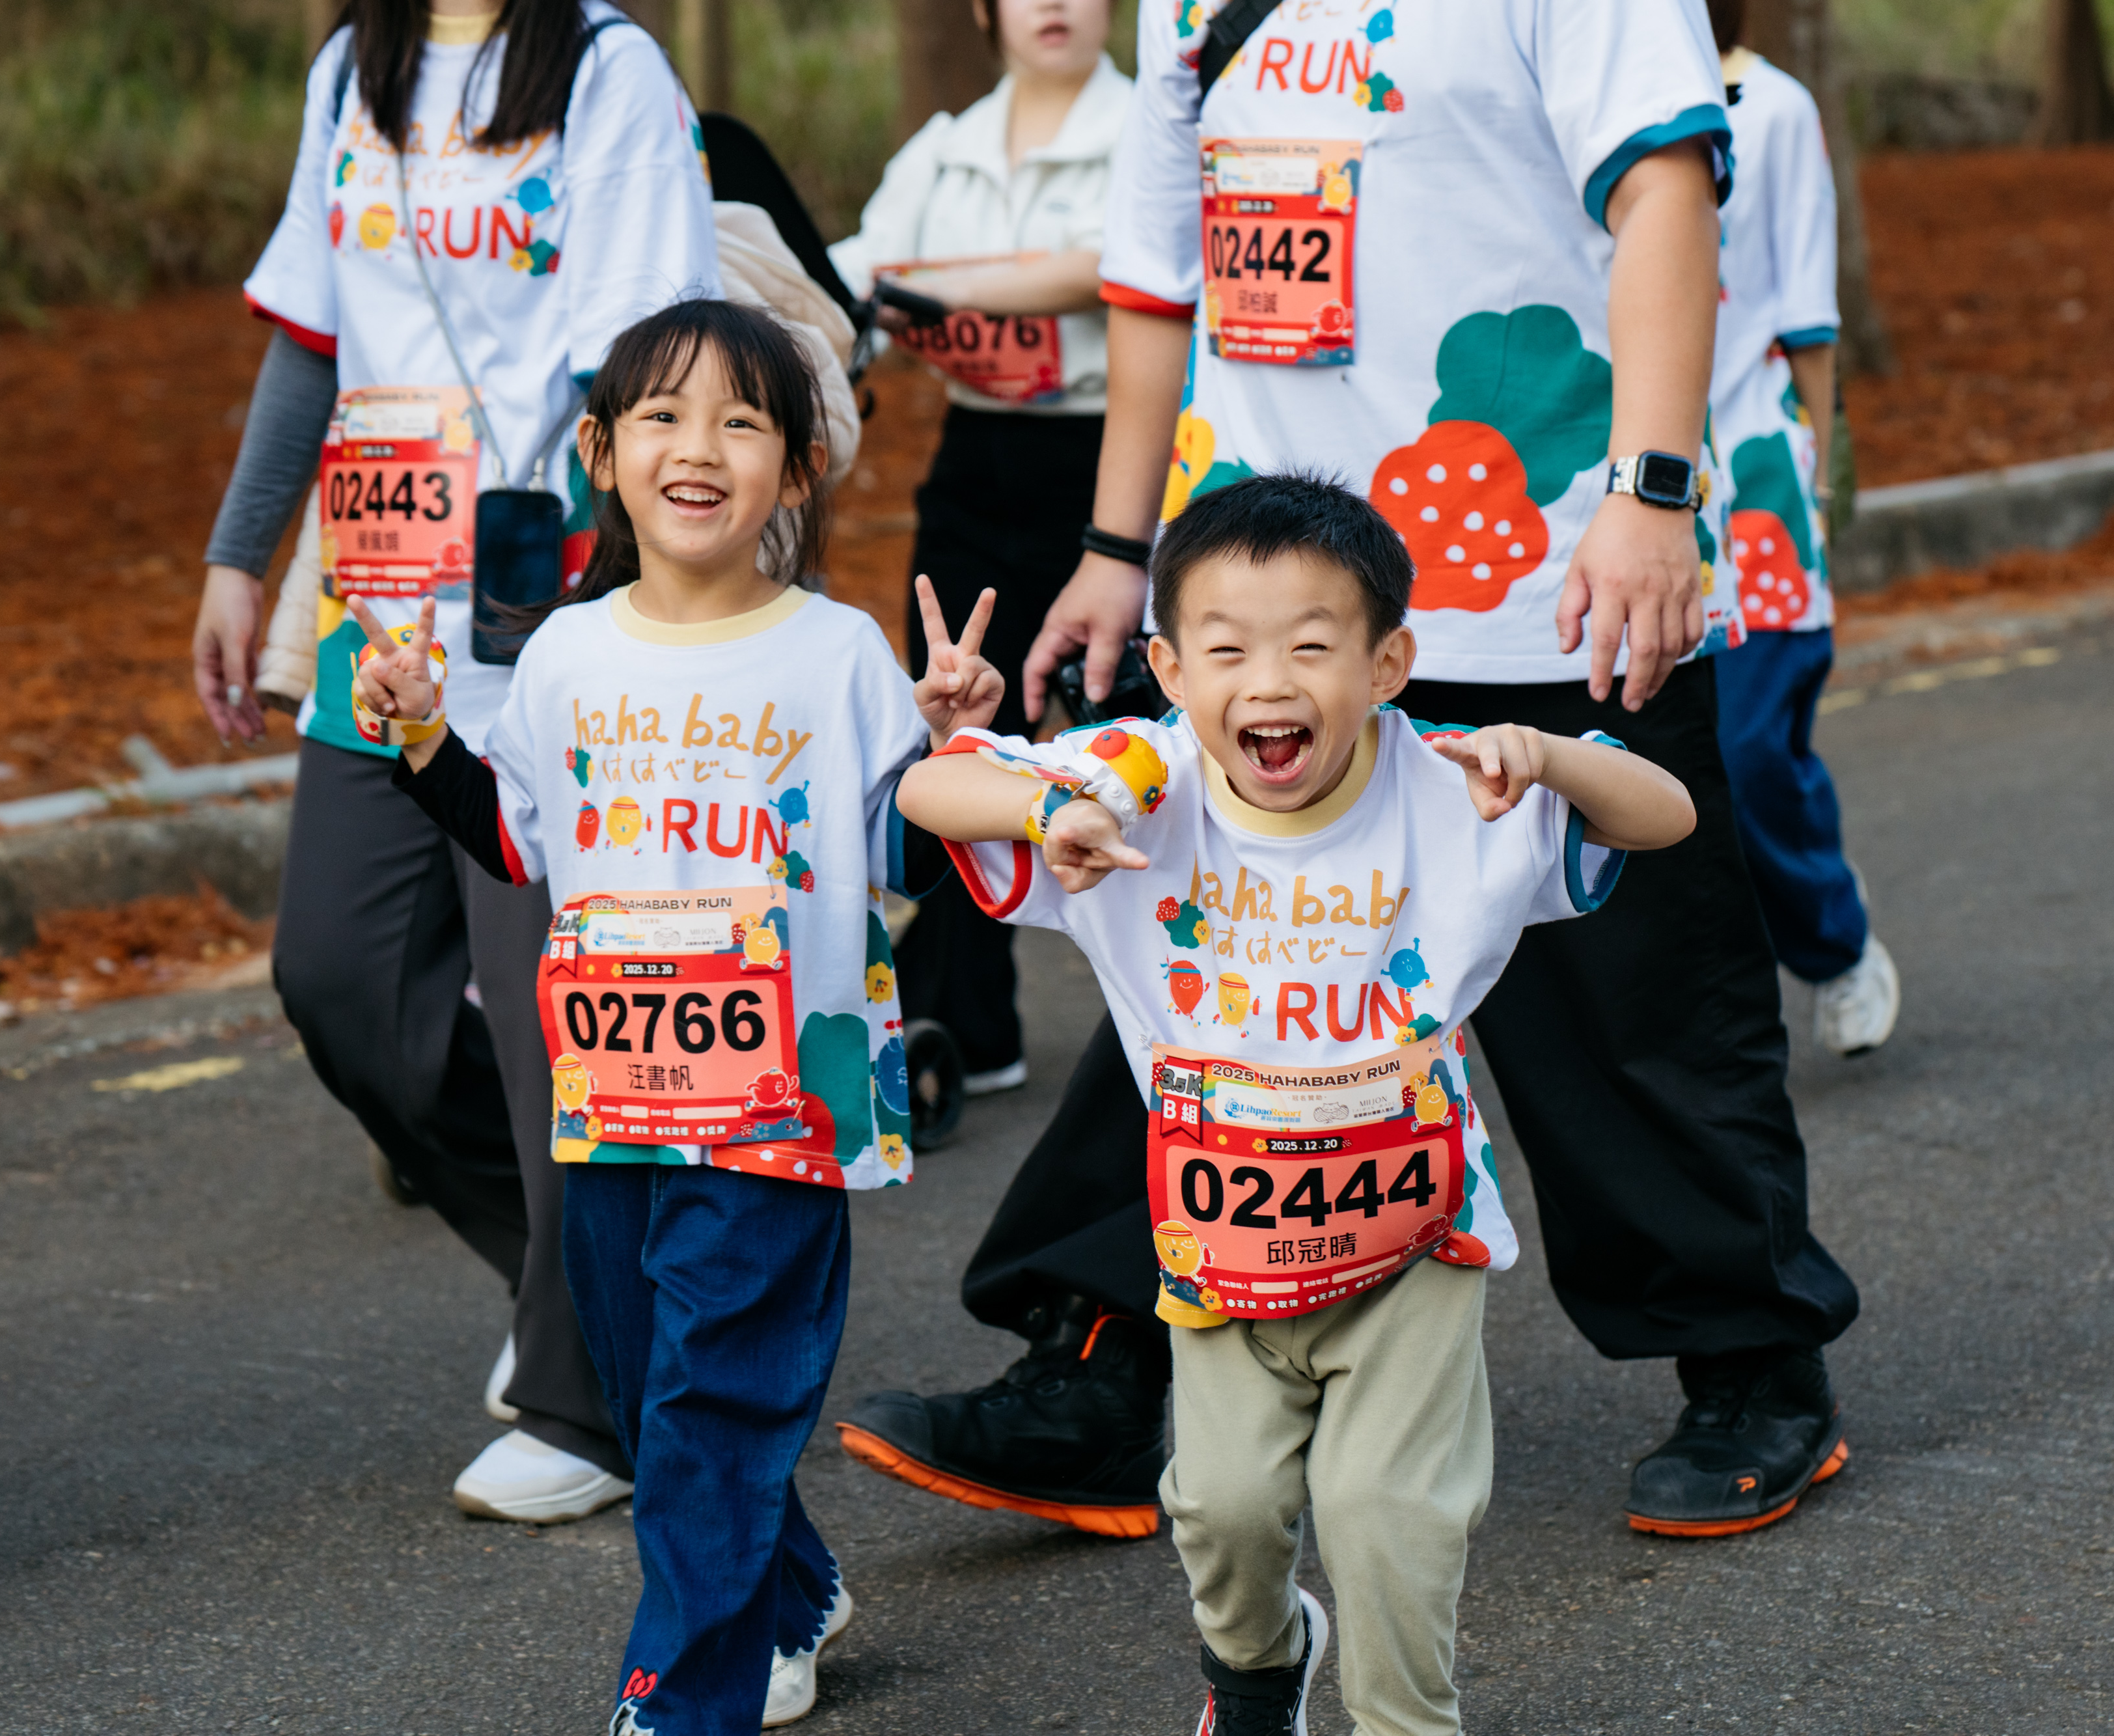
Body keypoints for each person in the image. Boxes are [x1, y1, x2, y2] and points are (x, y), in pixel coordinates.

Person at [848, 0, 1864, 1546]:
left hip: (1533, 564)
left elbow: (1664, 185)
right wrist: (1124, 549)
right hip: (1267, 594)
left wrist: (1652, 488)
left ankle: (1745, 1356)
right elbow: (1152, 277)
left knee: (1631, 988)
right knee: (1203, 961)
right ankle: (1107, 1362)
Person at [901, 474, 1697, 1733]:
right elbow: (928, 795)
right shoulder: (1134, 781)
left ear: (1388, 663)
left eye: (1311, 647)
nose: (1267, 684)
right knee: (1218, 1509)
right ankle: (1260, 1667)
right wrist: (1040, 801)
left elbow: (1668, 815)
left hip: (1410, 1234)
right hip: (1220, 1241)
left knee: (1392, 1517)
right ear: (1166, 665)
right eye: (1225, 649)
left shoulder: (1448, 789)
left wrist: (1550, 756)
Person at [350, 299, 996, 1733]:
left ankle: (679, 1695)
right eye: (660, 416)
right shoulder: (569, 652)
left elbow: (917, 845)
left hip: (777, 1104)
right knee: (655, 1391)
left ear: (801, 466)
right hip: (616, 1095)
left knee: (716, 1399)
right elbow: (518, 838)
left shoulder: (836, 654)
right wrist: (417, 739)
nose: (696, 448)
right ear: (601, 449)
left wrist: (956, 743)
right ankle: (788, 1590)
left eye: (740, 422)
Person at [191, 0, 716, 1524]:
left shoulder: (607, 74)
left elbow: (653, 369)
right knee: (339, 976)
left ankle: (588, 1387)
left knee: (558, 1009)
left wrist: (629, 605)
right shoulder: (351, 71)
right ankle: (591, 1285)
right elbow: (312, 337)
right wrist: (242, 555)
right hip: (377, 607)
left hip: (542, 608)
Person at [826, 0, 1130, 1092]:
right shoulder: (945, 152)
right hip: (974, 465)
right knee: (961, 737)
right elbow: (857, 269)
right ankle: (971, 1021)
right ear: (984, 10)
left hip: (1112, 467)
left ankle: (1195, 1014)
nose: (1055, 5)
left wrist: (944, 288)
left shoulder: (1146, 132)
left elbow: (1112, 266)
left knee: (1127, 746)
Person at [1705, 0, 1899, 1056]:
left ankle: (1833, 940)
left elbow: (1805, 312)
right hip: (1598, 494)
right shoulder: (1567, 96)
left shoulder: (1772, 110)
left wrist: (1814, 471)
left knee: (1750, 751)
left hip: (1753, 479)